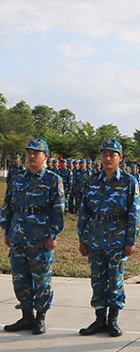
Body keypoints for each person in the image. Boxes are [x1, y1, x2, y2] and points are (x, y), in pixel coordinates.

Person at [77, 139, 140, 337]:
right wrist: (82, 238)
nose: (107, 158)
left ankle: (113, 320)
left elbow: (134, 212)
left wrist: (131, 240)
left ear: (120, 158)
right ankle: (99, 320)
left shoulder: (129, 181)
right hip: (95, 238)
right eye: (104, 154)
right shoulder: (92, 180)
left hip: (118, 239)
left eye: (112, 155)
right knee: (98, 280)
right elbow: (84, 211)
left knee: (115, 280)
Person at [1, 139, 65, 335]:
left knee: (41, 280)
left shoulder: (53, 180)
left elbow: (58, 210)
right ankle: (26, 316)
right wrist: (6, 230)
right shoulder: (17, 178)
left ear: (45, 156)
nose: (31, 156)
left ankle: (40, 317)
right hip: (18, 236)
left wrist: (53, 235)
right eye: (29, 152)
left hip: (40, 239)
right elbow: (8, 205)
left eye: (36, 153)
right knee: (20, 279)